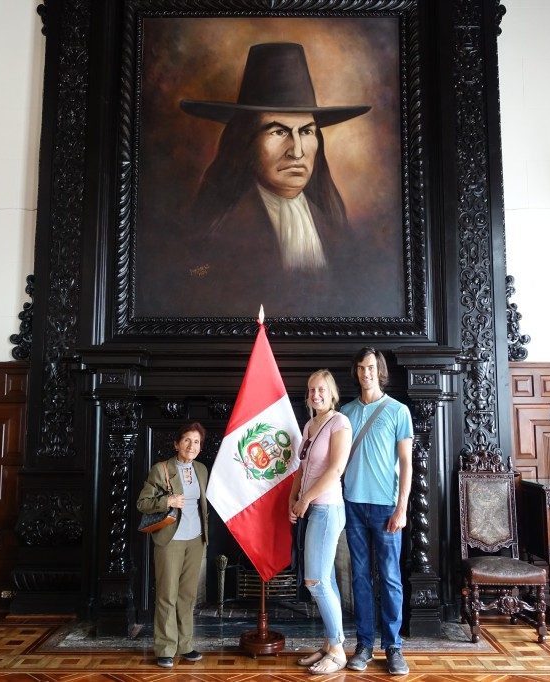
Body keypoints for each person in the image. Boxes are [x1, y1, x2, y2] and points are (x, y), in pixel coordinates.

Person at [176, 42, 372, 315]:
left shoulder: (339, 235)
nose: (297, 151)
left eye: (306, 132)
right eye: (278, 132)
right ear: (246, 142)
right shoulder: (220, 237)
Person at [340, 347, 413, 676]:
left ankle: (394, 646)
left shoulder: (399, 411)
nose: (365, 373)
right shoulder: (345, 413)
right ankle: (365, 644)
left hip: (386, 506)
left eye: (370, 367)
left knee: (390, 577)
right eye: (360, 367)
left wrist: (402, 506)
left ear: (379, 371)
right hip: (353, 504)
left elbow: (407, 464)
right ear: (355, 372)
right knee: (359, 578)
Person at [288, 370, 352, 675]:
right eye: (312, 389)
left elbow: (335, 469)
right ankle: (329, 642)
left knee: (314, 580)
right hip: (312, 508)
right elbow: (301, 469)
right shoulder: (310, 424)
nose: (316, 394)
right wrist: (293, 499)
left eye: (322, 389)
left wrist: (305, 500)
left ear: (332, 392)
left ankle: (338, 651)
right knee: (325, 579)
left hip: (327, 509)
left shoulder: (339, 422)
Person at [135, 422, 210, 669]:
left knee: (187, 597)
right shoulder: (161, 469)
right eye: (187, 440)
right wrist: (168, 500)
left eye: (196, 441)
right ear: (177, 444)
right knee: (167, 595)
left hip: (196, 540)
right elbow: (142, 503)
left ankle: (185, 645)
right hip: (170, 541)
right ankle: (166, 648)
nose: (192, 445)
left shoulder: (201, 469)